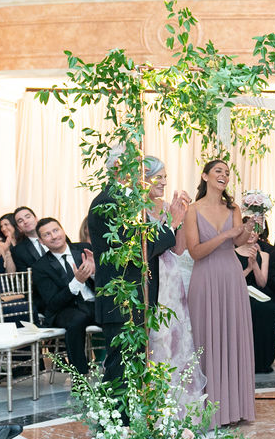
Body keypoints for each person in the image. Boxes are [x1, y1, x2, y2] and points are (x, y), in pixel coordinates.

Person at [89, 153, 181, 385]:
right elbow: (139, 251)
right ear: (121, 167)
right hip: (121, 298)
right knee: (120, 368)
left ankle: (130, 419)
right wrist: (172, 225)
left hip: (137, 297)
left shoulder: (127, 201)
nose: (142, 173)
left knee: (134, 366)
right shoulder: (109, 202)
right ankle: (117, 421)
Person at [184, 159, 256, 427]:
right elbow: (195, 251)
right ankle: (208, 412)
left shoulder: (233, 207)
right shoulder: (193, 210)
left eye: (227, 172)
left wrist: (248, 227)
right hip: (205, 276)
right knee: (206, 339)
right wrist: (226, 236)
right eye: (218, 171)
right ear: (204, 176)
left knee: (232, 337)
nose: (224, 175)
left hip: (231, 275)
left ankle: (234, 409)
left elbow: (239, 240)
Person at [143, 157, 204, 408]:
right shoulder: (137, 210)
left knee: (175, 336)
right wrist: (175, 221)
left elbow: (178, 250)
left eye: (166, 176)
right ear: (143, 177)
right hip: (150, 278)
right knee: (154, 337)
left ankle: (177, 403)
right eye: (159, 176)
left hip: (170, 277)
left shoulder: (168, 207)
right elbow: (147, 250)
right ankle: (153, 401)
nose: (164, 182)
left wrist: (181, 217)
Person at [31, 217, 98, 374]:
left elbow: (105, 282)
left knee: (116, 313)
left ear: (63, 230)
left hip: (93, 303)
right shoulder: (40, 266)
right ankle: (80, 377)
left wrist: (95, 274)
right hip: (65, 309)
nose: (54, 236)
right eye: (47, 234)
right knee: (77, 320)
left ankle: (119, 370)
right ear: (41, 241)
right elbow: (53, 302)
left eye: (56, 230)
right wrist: (77, 282)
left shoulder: (84, 249)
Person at [237, 231, 275, 374]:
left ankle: (264, 360)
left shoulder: (264, 255)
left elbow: (262, 282)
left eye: (254, 232)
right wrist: (248, 268)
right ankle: (245, 360)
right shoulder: (232, 253)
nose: (250, 234)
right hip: (239, 292)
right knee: (252, 308)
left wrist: (254, 264)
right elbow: (234, 280)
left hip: (258, 292)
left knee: (269, 308)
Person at [11, 207, 47, 271]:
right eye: (20, 221)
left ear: (36, 219)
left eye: (28, 217)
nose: (25, 221)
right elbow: (26, 277)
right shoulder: (18, 251)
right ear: (18, 228)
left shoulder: (56, 237)